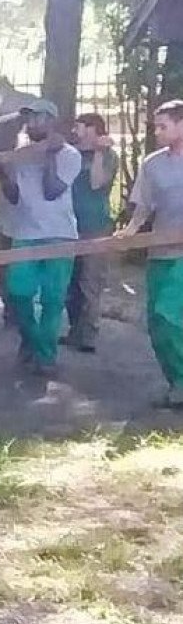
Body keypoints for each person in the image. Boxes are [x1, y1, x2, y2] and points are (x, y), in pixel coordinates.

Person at [0, 99, 80, 377]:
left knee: (53, 299)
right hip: (24, 234)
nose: (32, 124)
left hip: (60, 236)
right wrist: (4, 170)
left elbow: (52, 191)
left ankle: (46, 355)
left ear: (52, 122)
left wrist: (49, 155)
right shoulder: (18, 155)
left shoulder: (68, 155)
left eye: (39, 118)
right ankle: (31, 341)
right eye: (29, 119)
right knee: (18, 293)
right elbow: (13, 197)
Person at [117, 100, 183, 408]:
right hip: (160, 252)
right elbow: (144, 206)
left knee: (169, 315)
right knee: (156, 323)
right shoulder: (153, 164)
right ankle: (177, 383)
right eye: (156, 126)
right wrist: (131, 230)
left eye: (163, 126)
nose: (157, 132)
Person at [64, 112, 119, 352]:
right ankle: (75, 330)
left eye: (80, 127)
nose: (75, 131)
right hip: (69, 225)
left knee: (90, 281)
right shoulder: (71, 154)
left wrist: (98, 151)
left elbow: (97, 183)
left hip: (95, 226)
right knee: (70, 282)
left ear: (93, 129)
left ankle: (88, 335)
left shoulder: (108, 156)